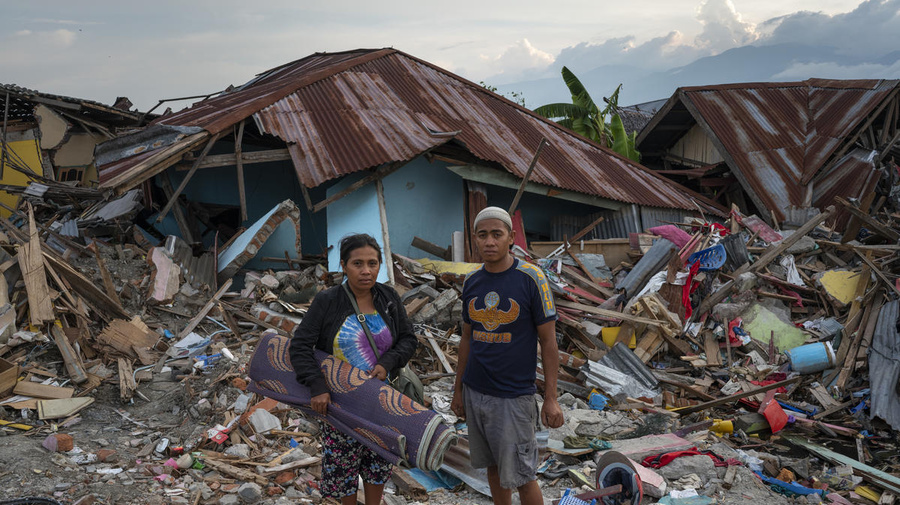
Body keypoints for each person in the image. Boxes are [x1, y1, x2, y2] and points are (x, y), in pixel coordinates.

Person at [289, 233, 418, 505]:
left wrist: (387, 363)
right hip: (340, 405)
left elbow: (408, 339)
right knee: (343, 471)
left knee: (378, 465)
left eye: (373, 263)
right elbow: (300, 346)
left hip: (381, 402)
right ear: (344, 265)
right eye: (358, 263)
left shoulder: (388, 298)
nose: (366, 271)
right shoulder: (328, 301)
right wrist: (317, 386)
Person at [451, 206, 565, 505]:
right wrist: (458, 389)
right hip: (476, 391)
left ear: (511, 237)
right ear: (475, 239)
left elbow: (549, 343)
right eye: (483, 235)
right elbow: (466, 338)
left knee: (523, 475)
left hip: (513, 396)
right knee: (493, 468)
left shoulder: (532, 278)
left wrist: (551, 397)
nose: (489, 241)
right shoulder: (472, 281)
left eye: (496, 234)